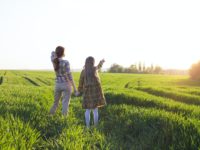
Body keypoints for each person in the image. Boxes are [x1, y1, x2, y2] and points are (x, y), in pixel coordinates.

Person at [78, 56, 106, 127]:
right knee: (95, 110)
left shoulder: (84, 71)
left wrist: (80, 90)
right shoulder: (94, 69)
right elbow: (99, 66)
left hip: (87, 92)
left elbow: (80, 81)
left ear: (86, 62)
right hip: (96, 92)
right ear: (93, 62)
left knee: (87, 110)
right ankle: (95, 126)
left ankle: (87, 127)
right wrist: (102, 61)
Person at [50, 46, 78, 116]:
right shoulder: (66, 62)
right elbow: (69, 75)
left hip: (58, 84)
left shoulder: (54, 61)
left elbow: (52, 53)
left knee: (55, 102)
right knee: (65, 103)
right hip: (66, 84)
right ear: (63, 53)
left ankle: (50, 115)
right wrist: (74, 88)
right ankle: (64, 118)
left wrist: (56, 54)